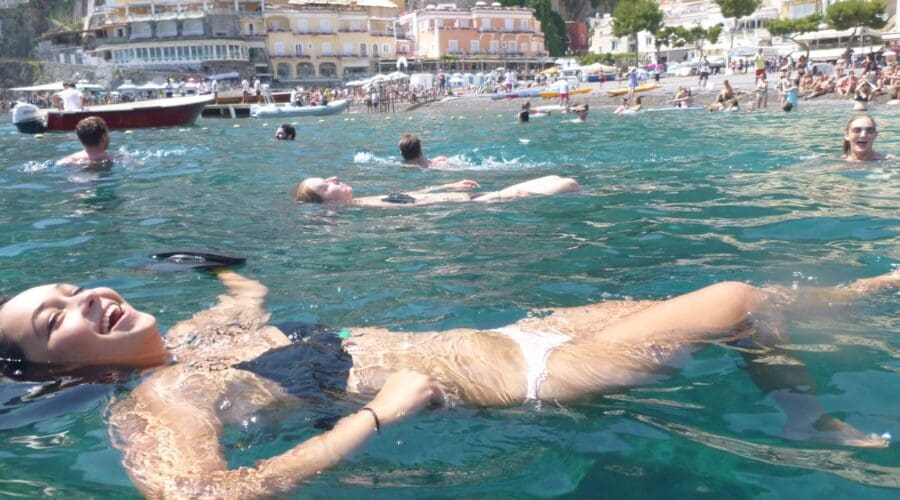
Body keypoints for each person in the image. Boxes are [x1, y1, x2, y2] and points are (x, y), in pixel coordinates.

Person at [1, 268, 897, 496]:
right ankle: (806, 421)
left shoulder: (198, 341)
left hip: (511, 336)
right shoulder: (161, 403)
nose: (88, 301)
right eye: (58, 320)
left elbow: (252, 298)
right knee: (734, 300)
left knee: (746, 300)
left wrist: (231, 276)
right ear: (50, 372)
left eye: (78, 289)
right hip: (532, 380)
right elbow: (201, 495)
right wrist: (378, 422)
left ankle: (862, 294)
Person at [293, 175, 580, 207]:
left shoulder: (363, 201)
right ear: (328, 206)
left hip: (469, 197)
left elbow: (413, 193)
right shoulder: (366, 210)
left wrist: (448, 185)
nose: (333, 178)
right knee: (567, 184)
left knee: (559, 178)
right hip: (483, 202)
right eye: (324, 185)